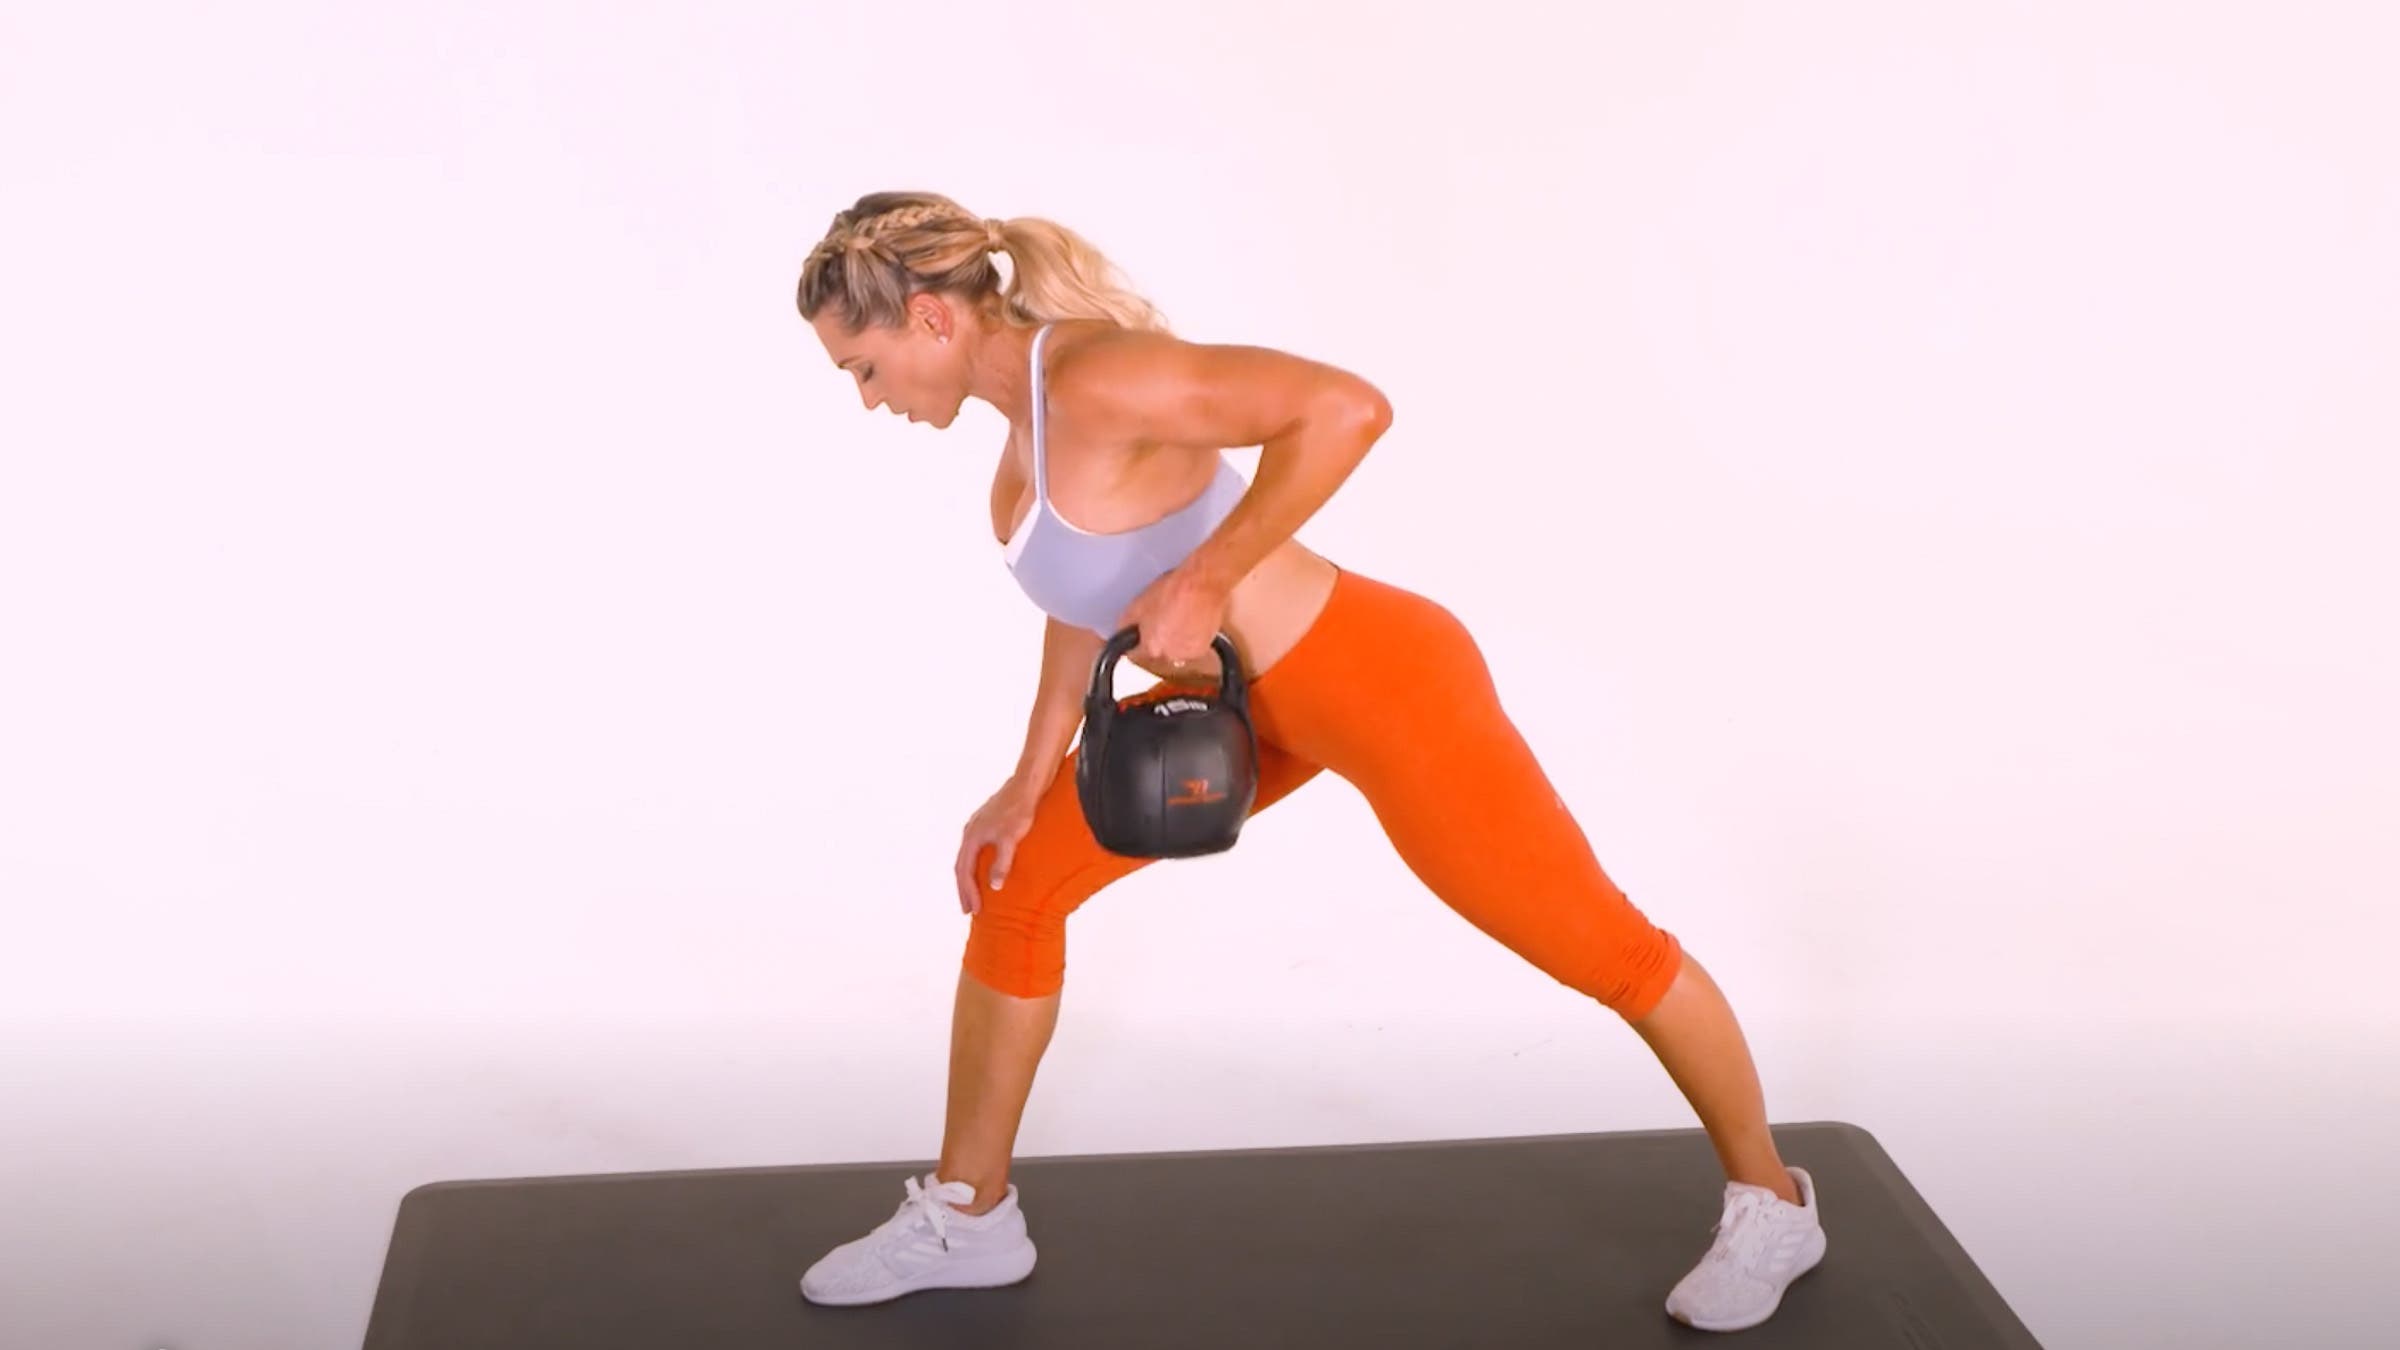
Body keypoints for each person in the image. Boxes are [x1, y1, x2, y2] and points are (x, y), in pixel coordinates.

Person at [788, 190, 1826, 1333]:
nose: (868, 397)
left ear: (931, 319)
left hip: (1378, 684)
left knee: (1602, 948)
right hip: (1242, 713)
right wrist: (1025, 784)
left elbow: (1346, 408)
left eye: (864, 367)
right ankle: (972, 1216)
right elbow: (1080, 611)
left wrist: (1211, 574)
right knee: (1017, 880)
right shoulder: (1023, 443)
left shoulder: (1095, 377)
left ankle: (1774, 1204)